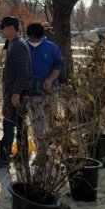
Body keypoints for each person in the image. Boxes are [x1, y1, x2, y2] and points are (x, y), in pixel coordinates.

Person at [0, 16, 31, 169]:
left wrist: (16, 93)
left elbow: (23, 71)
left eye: (3, 26)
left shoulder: (18, 45)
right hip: (13, 91)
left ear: (12, 27)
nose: (1, 29)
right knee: (19, 123)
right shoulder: (13, 43)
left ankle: (4, 158)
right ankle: (22, 153)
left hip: (15, 93)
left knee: (8, 123)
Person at [25, 22, 63, 160]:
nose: (34, 41)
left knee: (51, 120)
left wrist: (50, 79)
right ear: (28, 36)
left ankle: (52, 148)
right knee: (37, 124)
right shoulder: (24, 47)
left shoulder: (51, 47)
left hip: (50, 91)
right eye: (31, 38)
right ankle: (42, 154)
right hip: (32, 93)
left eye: (37, 38)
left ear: (42, 36)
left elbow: (58, 65)